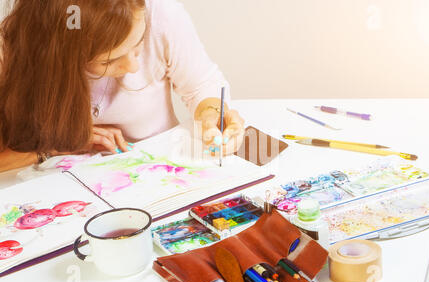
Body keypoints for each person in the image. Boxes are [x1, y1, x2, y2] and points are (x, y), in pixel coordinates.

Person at [0, 0, 245, 173]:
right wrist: (58, 147)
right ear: (60, 54)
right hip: (53, 193)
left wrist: (211, 115)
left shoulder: (160, 14)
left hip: (157, 178)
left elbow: (202, 85)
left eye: (138, 44)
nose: (133, 67)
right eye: (109, 60)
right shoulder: (14, 47)